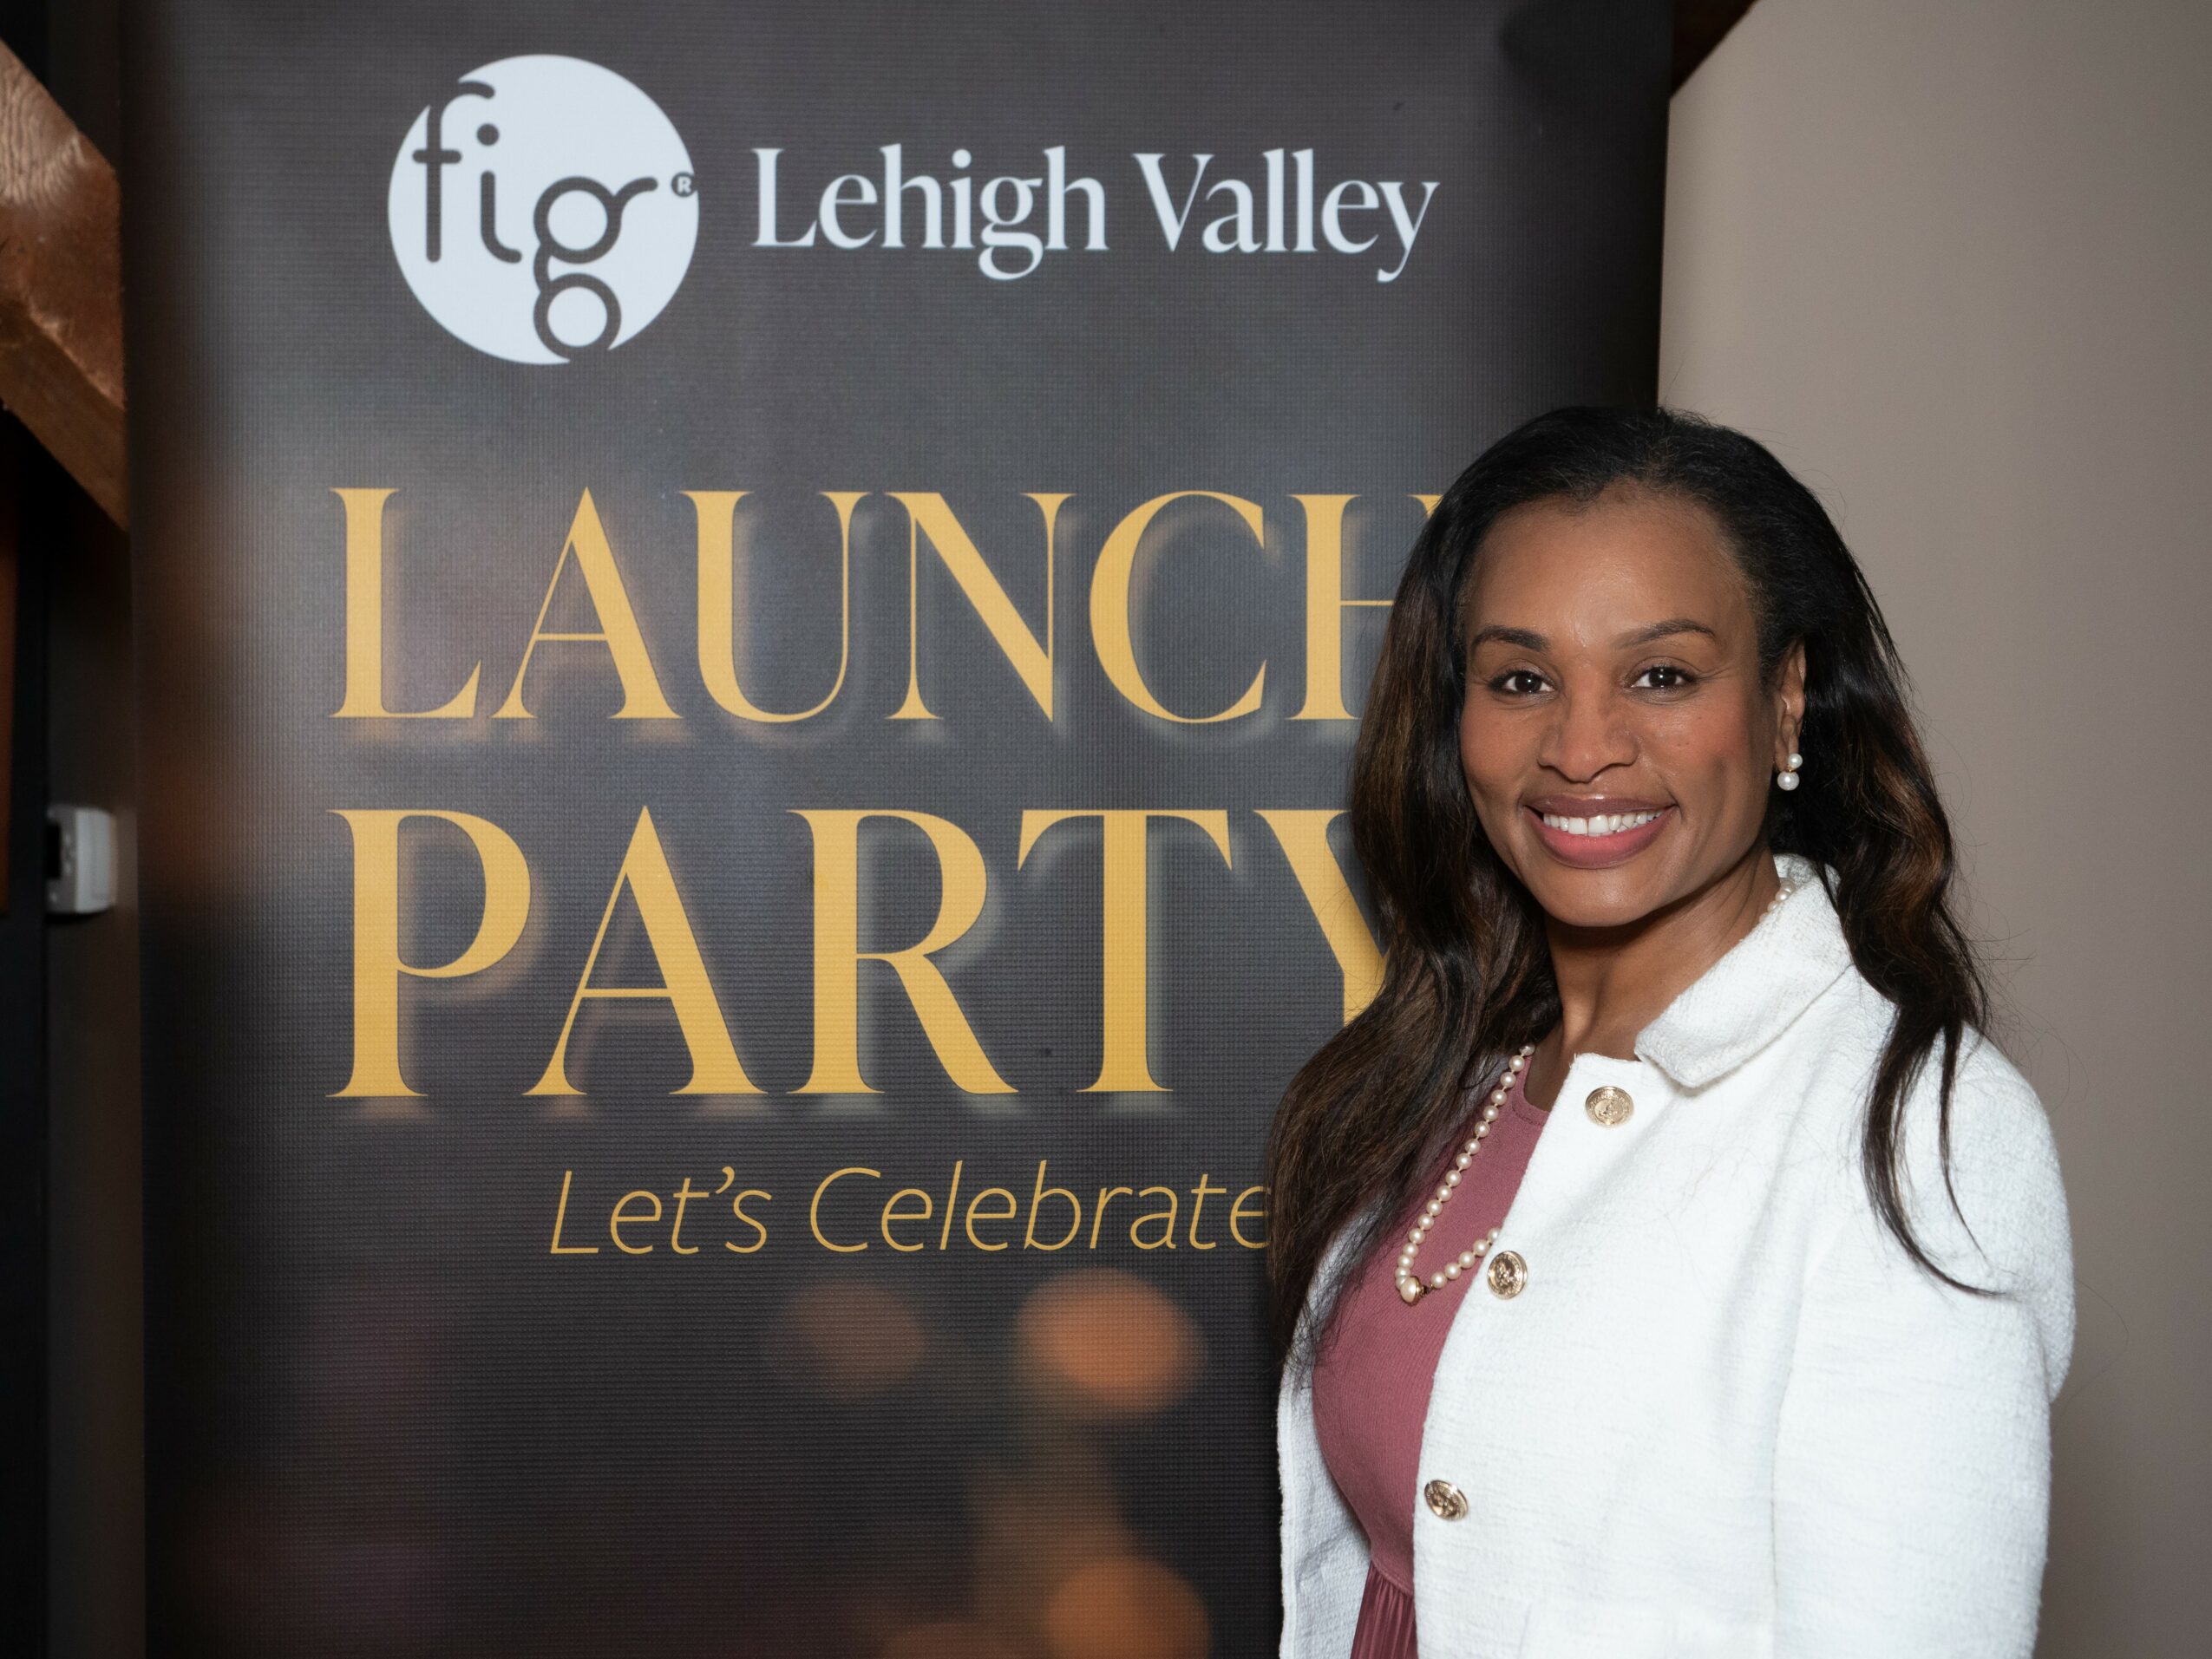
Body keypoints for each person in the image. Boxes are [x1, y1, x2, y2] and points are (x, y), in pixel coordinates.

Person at [1266, 407, 2075, 1658]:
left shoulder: (1920, 1122)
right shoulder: (1440, 1082)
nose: (1582, 749)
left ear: (1785, 697)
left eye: (1661, 674)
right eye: (1519, 678)